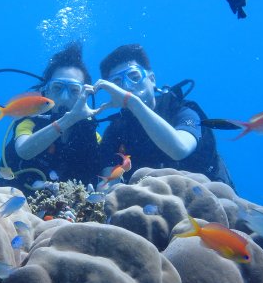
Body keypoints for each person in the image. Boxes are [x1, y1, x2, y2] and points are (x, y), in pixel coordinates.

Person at [94, 44, 234, 187]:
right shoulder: (115, 131)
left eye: (134, 77)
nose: (127, 87)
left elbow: (180, 149)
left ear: (152, 79)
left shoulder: (181, 110)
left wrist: (133, 103)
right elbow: (108, 184)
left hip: (212, 197)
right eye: (117, 83)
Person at [0, 42, 101, 190]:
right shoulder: (30, 120)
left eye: (74, 90)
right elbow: (24, 150)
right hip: (14, 198)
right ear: (46, 91)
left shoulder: (90, 133)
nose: (64, 97)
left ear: (85, 95)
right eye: (57, 88)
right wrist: (69, 119)